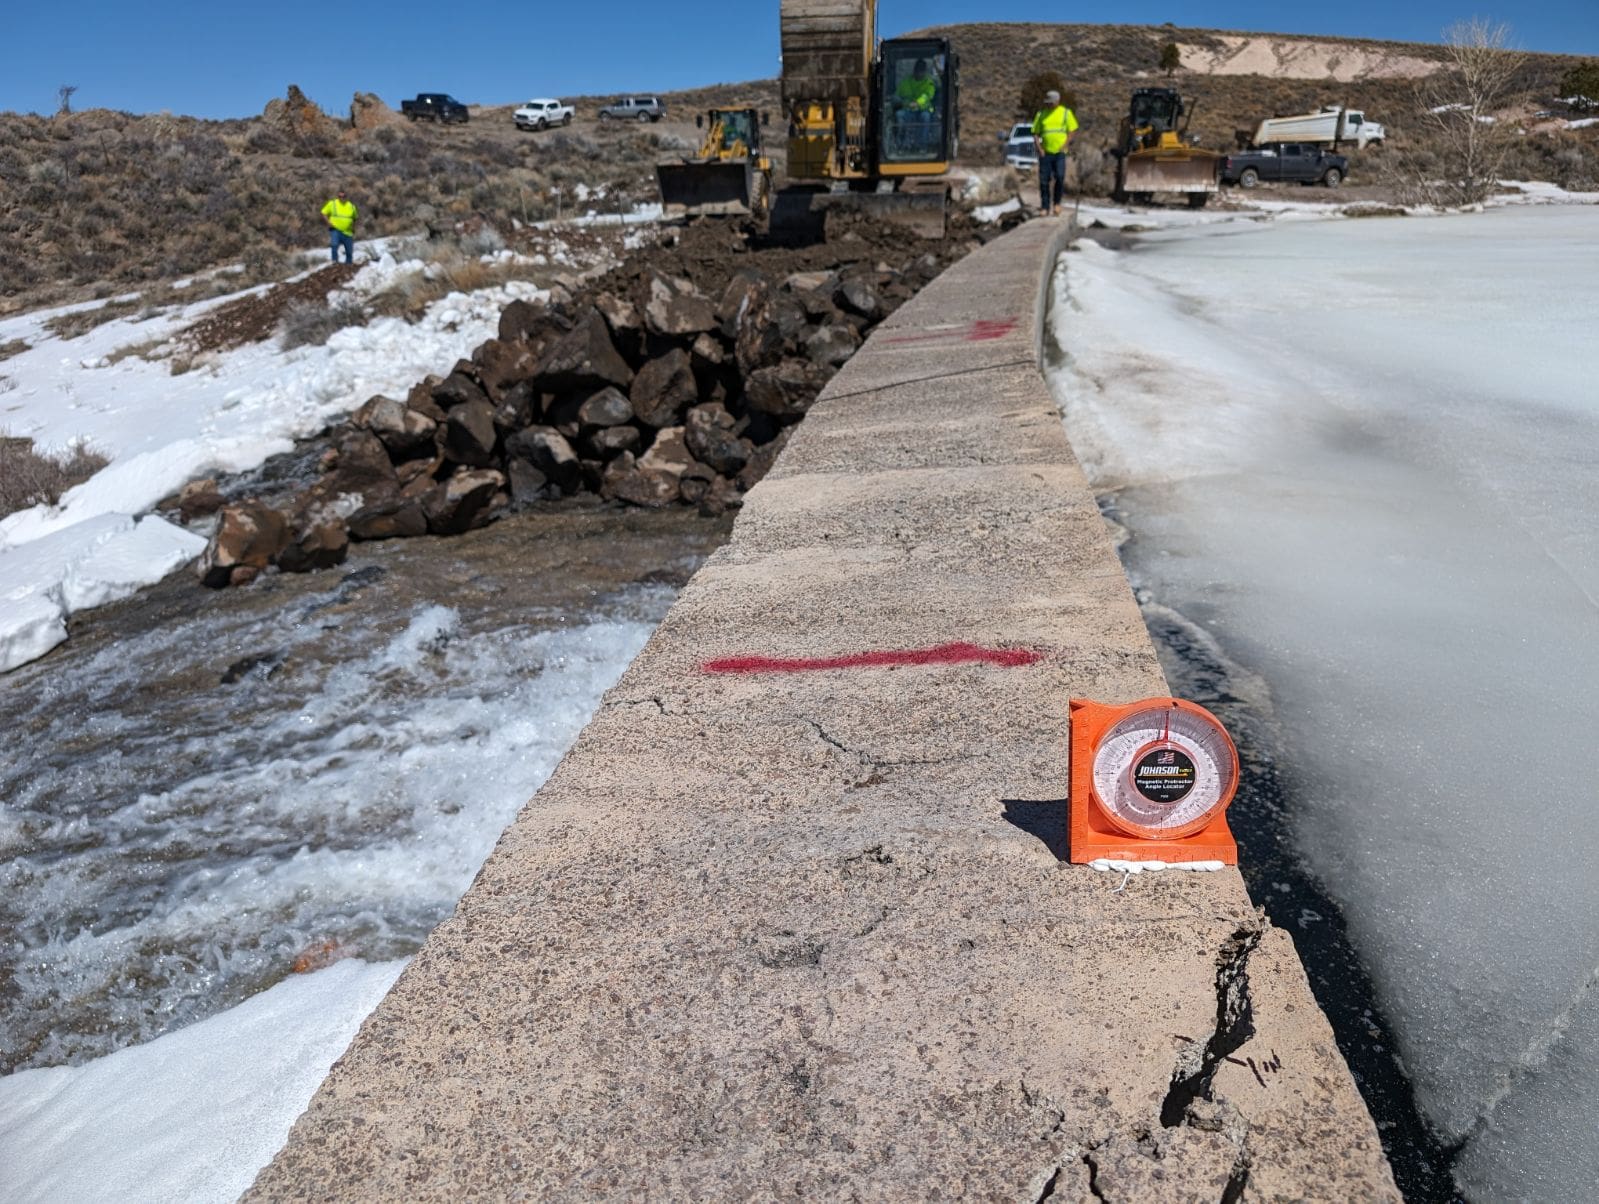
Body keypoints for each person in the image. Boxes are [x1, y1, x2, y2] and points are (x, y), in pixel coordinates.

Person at [1031, 90, 1081, 217]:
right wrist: (1039, 148)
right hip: (1045, 153)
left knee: (1059, 177)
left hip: (1059, 153)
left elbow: (1072, 130)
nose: (1049, 105)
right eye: (1047, 103)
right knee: (1044, 181)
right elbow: (1035, 133)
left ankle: (1057, 204)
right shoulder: (1041, 114)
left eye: (1051, 103)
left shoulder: (1065, 113)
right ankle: (1045, 206)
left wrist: (1065, 145)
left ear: (1057, 101)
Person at [896, 60, 938, 152]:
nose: (919, 73)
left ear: (924, 71)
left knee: (925, 117)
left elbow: (927, 96)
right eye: (917, 71)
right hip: (908, 110)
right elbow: (897, 95)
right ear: (914, 70)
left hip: (923, 110)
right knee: (899, 115)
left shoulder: (929, 83)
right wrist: (900, 102)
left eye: (921, 71)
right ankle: (900, 144)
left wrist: (917, 103)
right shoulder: (905, 82)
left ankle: (922, 145)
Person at [321, 188, 357, 264]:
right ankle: (335, 262)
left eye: (343, 197)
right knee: (334, 245)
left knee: (349, 250)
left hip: (348, 231)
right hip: (335, 229)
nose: (341, 198)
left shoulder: (351, 206)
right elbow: (323, 213)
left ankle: (349, 265)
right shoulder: (332, 204)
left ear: (346, 197)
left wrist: (353, 227)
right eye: (340, 196)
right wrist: (328, 223)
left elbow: (354, 218)